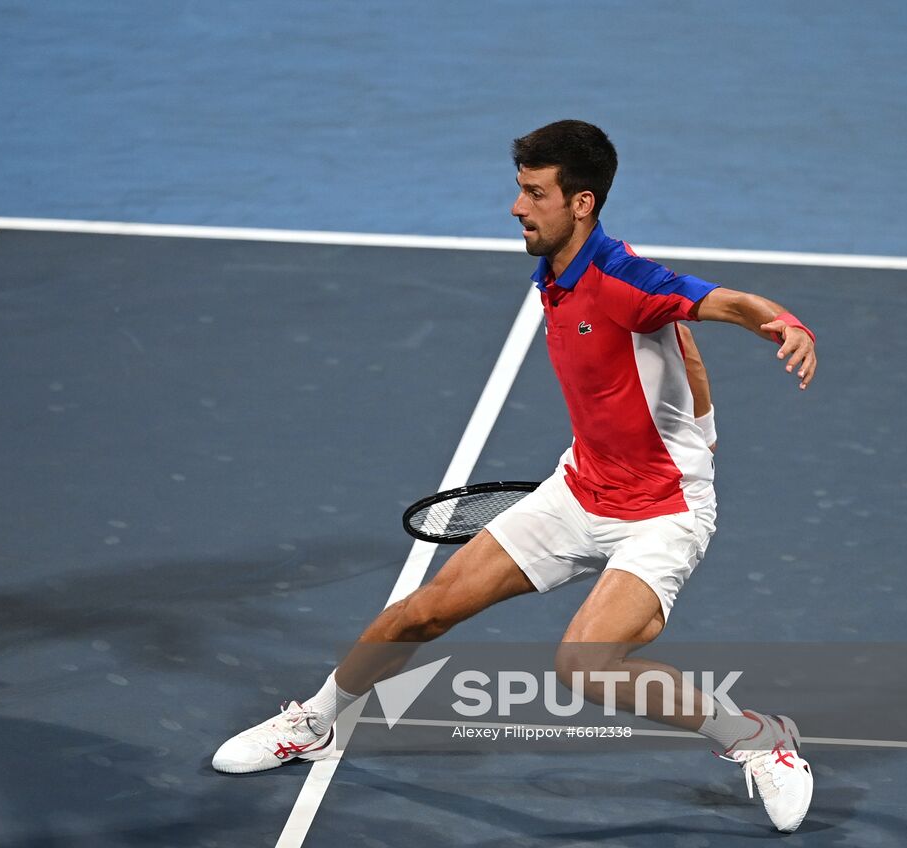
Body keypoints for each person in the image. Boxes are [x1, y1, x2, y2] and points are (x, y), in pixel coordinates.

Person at [213, 120, 816, 833]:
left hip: (662, 512)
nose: (516, 206)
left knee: (585, 662)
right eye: (520, 189)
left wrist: (785, 322)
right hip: (579, 488)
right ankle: (316, 722)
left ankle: (759, 742)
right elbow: (679, 352)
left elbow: (718, 304)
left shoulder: (624, 277)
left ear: (581, 202)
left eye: (534, 192)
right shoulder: (552, 275)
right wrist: (698, 422)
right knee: (423, 611)